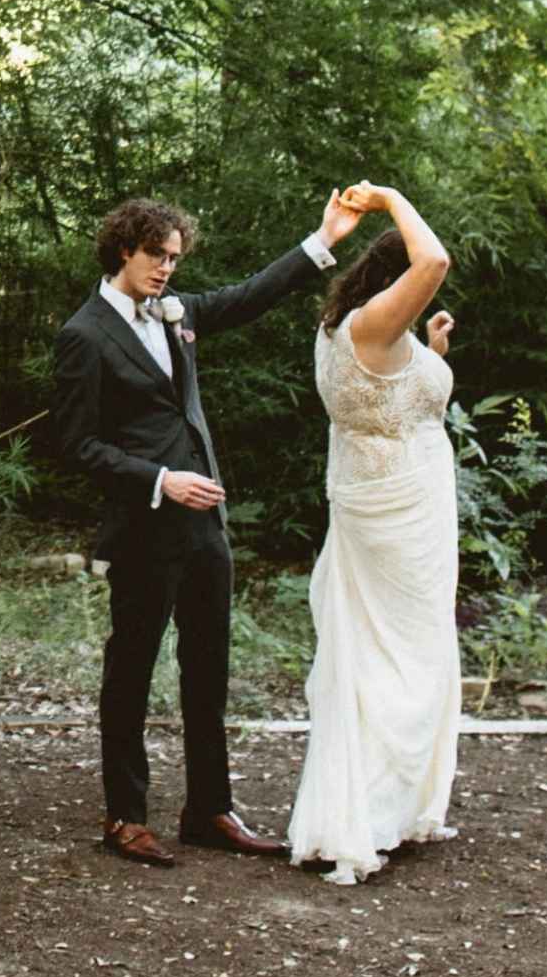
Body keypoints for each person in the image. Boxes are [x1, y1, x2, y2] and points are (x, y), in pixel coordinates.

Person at [48, 187, 368, 866]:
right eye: (158, 256)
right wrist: (161, 480)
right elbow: (76, 445)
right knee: (130, 669)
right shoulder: (83, 335)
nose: (168, 270)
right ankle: (124, 816)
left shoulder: (176, 314)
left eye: (175, 258)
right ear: (123, 249)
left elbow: (251, 295)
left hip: (205, 527)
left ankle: (209, 808)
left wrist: (324, 238)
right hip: (143, 526)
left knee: (208, 668)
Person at [285, 181, 461, 884]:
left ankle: (381, 804)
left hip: (374, 505)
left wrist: (434, 350)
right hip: (403, 515)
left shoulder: (343, 328)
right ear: (398, 282)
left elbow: (392, 396)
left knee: (373, 651)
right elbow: (436, 261)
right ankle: (372, 809)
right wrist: (389, 198)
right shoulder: (373, 327)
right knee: (406, 658)